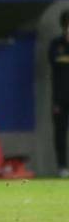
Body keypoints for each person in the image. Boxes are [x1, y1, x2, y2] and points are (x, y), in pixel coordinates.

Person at [48, 11, 69, 178]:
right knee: (60, 132)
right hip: (60, 98)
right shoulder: (56, 45)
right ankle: (62, 167)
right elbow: (53, 63)